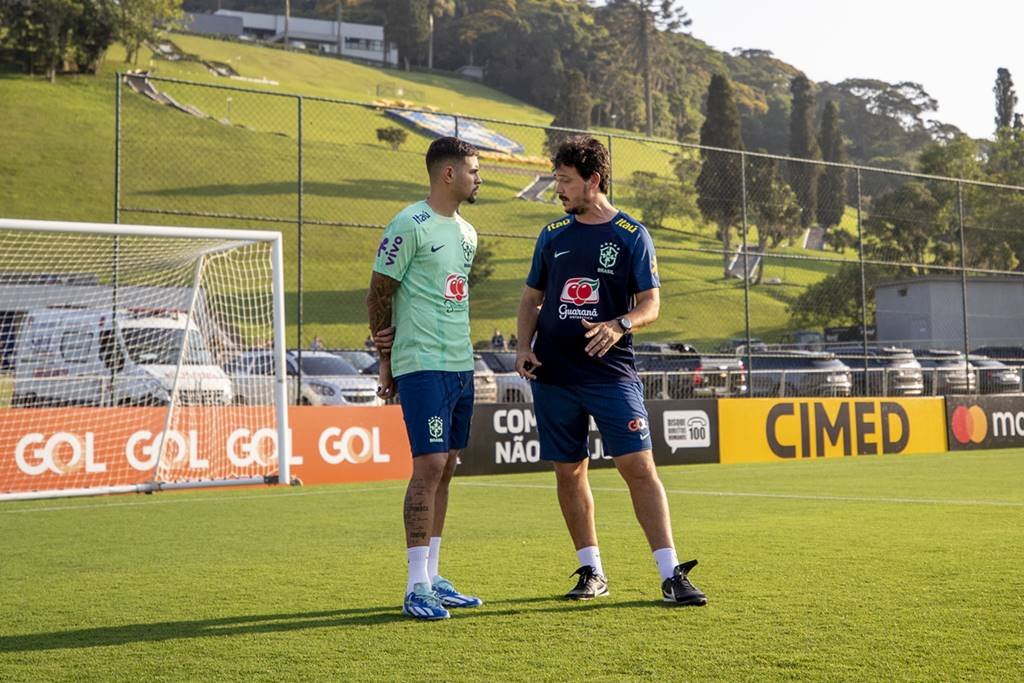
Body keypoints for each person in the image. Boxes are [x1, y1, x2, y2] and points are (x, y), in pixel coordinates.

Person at [514, 135, 707, 607]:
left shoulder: (631, 233)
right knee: (568, 471)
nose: (558, 188)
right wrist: (523, 346)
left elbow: (651, 304)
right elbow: (531, 299)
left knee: (638, 467)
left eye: (565, 180)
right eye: (557, 179)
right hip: (553, 374)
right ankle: (591, 571)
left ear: (592, 180)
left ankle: (670, 574)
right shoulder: (552, 234)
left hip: (610, 374)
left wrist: (619, 324)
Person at [366, 136, 484, 621]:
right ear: (448, 174)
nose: (480, 178)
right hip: (421, 362)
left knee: (449, 465)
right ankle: (415, 585)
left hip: (461, 363)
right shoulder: (407, 223)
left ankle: (433, 576)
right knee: (430, 465)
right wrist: (386, 359)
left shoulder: (469, 233)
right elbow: (379, 293)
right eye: (474, 170)